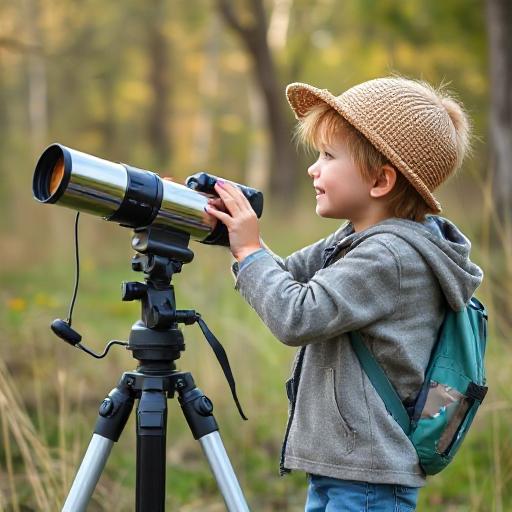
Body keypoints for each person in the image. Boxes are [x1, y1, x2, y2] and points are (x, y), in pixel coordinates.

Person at [204, 77, 484, 511]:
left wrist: (249, 250)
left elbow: (295, 315)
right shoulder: (356, 238)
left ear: (380, 181)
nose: (314, 168)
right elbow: (282, 276)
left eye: (329, 156)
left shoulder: (390, 256)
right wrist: (229, 232)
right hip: (347, 468)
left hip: (367, 478)